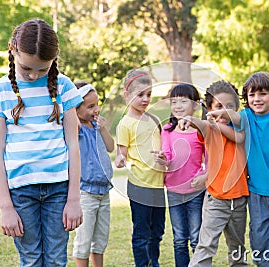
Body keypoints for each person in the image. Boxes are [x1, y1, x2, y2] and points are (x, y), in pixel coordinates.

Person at [0, 19, 83, 266]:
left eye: (42, 69)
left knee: (57, 259)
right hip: (21, 192)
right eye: (27, 68)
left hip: (59, 190)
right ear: (12, 49)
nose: (34, 75)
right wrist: (6, 207)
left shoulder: (64, 86)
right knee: (31, 258)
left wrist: (74, 199)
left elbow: (73, 144)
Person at [208, 72, 269, 266]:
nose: (257, 99)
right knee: (260, 240)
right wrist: (218, 114)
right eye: (252, 95)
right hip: (255, 193)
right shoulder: (245, 117)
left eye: (262, 94)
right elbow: (232, 117)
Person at [180, 80, 249, 266]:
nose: (224, 111)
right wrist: (190, 119)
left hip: (239, 199)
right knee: (206, 246)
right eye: (219, 106)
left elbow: (239, 132)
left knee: (237, 248)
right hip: (216, 200)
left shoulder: (243, 128)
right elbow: (201, 124)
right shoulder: (209, 129)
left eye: (229, 106)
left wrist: (222, 116)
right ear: (209, 108)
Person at [151, 83, 207, 267]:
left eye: (183, 101)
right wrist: (161, 159)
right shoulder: (167, 130)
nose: (177, 106)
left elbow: (209, 160)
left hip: (195, 191)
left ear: (196, 104)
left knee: (196, 238)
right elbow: (166, 157)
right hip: (174, 190)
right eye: (173, 102)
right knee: (180, 238)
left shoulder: (201, 130)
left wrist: (204, 177)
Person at [114, 69, 166, 267]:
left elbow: (160, 146)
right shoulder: (125, 124)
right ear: (127, 95)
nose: (145, 99)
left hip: (158, 185)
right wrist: (120, 159)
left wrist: (164, 158)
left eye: (148, 95)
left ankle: (154, 262)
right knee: (142, 232)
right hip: (139, 185)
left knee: (158, 230)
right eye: (140, 95)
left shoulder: (153, 119)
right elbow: (122, 153)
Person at [72, 82, 115, 267]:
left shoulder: (96, 127)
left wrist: (103, 128)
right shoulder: (76, 129)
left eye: (97, 104)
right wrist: (72, 115)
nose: (96, 110)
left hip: (104, 191)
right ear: (75, 108)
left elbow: (111, 147)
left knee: (100, 239)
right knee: (84, 239)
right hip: (86, 193)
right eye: (90, 107)